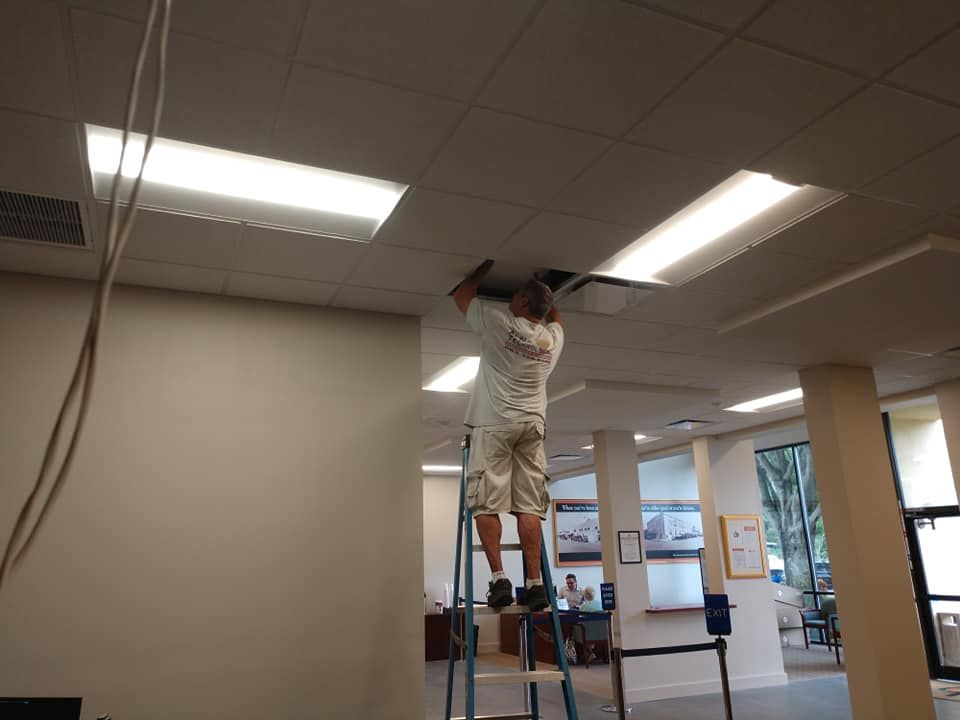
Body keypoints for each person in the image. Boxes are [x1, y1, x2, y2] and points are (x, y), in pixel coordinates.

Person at [453, 260, 564, 612]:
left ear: (523, 305)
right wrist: (546, 292)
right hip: (533, 426)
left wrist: (482, 269)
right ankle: (534, 584)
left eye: (516, 295)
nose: (511, 298)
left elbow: (462, 294)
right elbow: (557, 320)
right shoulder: (552, 340)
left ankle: (500, 579)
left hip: (495, 423)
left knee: (488, 500)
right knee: (529, 505)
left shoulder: (498, 322)